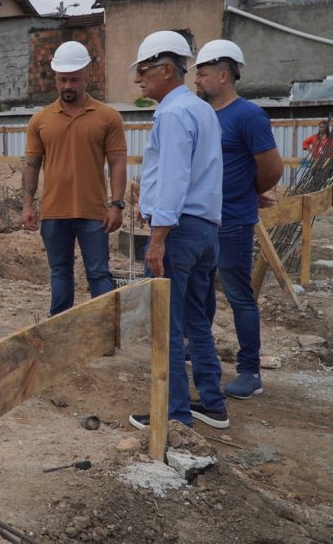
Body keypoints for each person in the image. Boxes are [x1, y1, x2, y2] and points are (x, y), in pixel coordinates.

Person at [128, 31, 227, 431]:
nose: (139, 78)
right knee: (197, 319)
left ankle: (174, 413)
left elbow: (173, 179)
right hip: (204, 230)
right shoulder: (202, 110)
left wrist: (157, 239)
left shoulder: (172, 115)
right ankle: (213, 403)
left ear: (167, 69)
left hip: (179, 232)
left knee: (166, 324)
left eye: (144, 70)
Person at [193, 40, 283, 400]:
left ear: (223, 75)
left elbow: (272, 169)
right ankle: (199, 347)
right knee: (202, 288)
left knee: (237, 294)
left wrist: (249, 191)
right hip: (205, 218)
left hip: (232, 220)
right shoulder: (205, 115)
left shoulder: (248, 116)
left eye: (202, 74)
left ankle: (250, 371)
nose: (197, 80)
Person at [22, 41, 128, 316]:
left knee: (98, 273)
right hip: (54, 213)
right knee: (60, 272)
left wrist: (117, 204)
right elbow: (32, 163)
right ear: (55, 79)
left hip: (94, 213)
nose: (68, 85)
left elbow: (118, 162)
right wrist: (27, 205)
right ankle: (60, 326)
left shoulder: (108, 117)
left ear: (86, 76)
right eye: (63, 79)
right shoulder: (40, 120)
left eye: (74, 79)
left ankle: (105, 329)